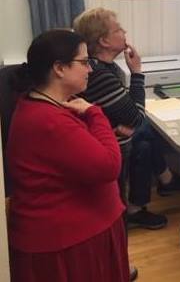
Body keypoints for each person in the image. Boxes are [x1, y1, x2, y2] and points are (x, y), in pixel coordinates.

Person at [7, 29, 130, 281]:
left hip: (79, 231)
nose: (90, 70)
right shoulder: (49, 121)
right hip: (67, 240)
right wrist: (95, 113)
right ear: (59, 68)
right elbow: (109, 166)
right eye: (84, 62)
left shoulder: (49, 105)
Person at [74, 7, 180, 230]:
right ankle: (165, 181)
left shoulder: (103, 67)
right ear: (104, 40)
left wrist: (128, 122)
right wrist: (138, 72)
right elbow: (135, 116)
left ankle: (139, 205)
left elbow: (126, 112)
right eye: (119, 29)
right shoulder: (100, 75)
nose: (125, 32)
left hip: (106, 136)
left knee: (144, 141)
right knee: (145, 129)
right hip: (103, 145)